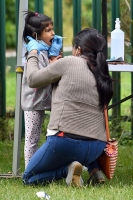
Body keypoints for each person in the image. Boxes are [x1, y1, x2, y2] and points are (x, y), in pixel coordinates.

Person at [22, 28, 113, 187]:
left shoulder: (69, 62)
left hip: (64, 142)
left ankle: (67, 170)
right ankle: (93, 169)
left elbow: (33, 79)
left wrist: (33, 52)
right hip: (96, 148)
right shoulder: (102, 70)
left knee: (28, 177)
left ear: (78, 50)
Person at [21, 11, 63, 167]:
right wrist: (53, 64)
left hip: (50, 98)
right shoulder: (34, 53)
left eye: (52, 29)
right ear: (36, 35)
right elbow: (38, 77)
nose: (53, 33)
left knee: (54, 135)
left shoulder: (49, 50)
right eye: (48, 30)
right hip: (34, 100)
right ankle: (29, 171)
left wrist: (55, 58)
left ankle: (50, 166)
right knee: (32, 138)